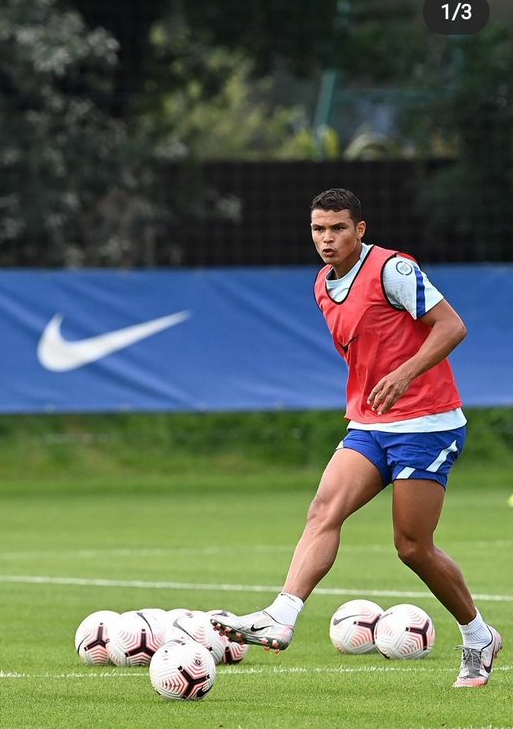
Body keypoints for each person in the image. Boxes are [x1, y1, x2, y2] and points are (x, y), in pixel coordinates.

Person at [213, 187, 502, 688]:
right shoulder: (323, 284)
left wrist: (407, 373)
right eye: (318, 230)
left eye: (338, 228)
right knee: (323, 510)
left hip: (427, 425)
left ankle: (478, 636)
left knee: (412, 547)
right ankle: (282, 615)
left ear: (359, 230)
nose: (327, 239)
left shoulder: (393, 269)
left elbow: (452, 327)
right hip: (370, 423)